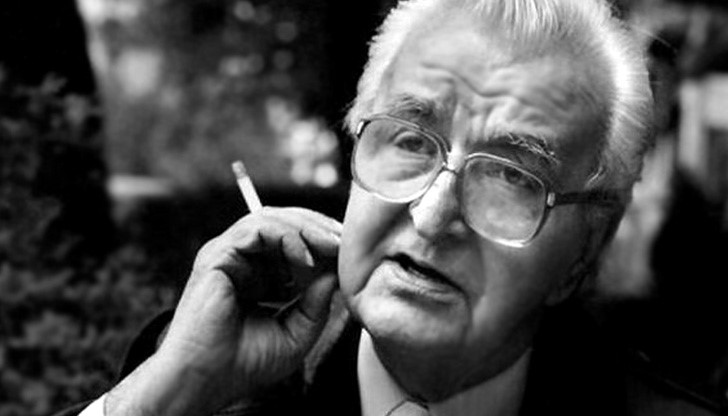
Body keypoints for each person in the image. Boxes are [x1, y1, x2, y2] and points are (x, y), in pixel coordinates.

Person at [58, 0, 725, 415]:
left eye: (511, 176)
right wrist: (168, 394)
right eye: (410, 140)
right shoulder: (212, 379)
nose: (431, 217)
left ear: (582, 255)